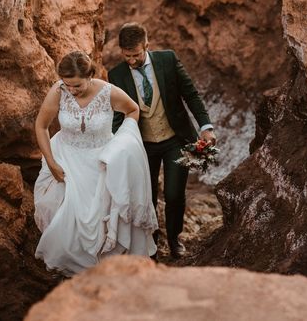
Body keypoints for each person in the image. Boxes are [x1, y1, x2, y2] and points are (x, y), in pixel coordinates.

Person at [34, 51, 158, 275]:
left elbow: (133, 110)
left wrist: (123, 143)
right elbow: (41, 126)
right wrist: (51, 162)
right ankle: (70, 273)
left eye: (77, 86)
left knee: (102, 219)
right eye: (67, 84)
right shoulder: (58, 91)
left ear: (90, 75)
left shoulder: (108, 92)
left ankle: (102, 271)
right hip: (66, 158)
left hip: (102, 162)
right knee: (62, 214)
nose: (71, 90)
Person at [108, 22, 216, 257]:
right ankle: (151, 245)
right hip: (142, 145)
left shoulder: (168, 60)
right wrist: (115, 146)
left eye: (136, 55)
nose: (131, 60)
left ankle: (175, 240)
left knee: (174, 194)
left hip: (174, 139)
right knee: (146, 197)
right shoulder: (115, 75)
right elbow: (118, 115)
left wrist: (205, 127)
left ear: (147, 45)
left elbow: (191, 94)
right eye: (126, 56)